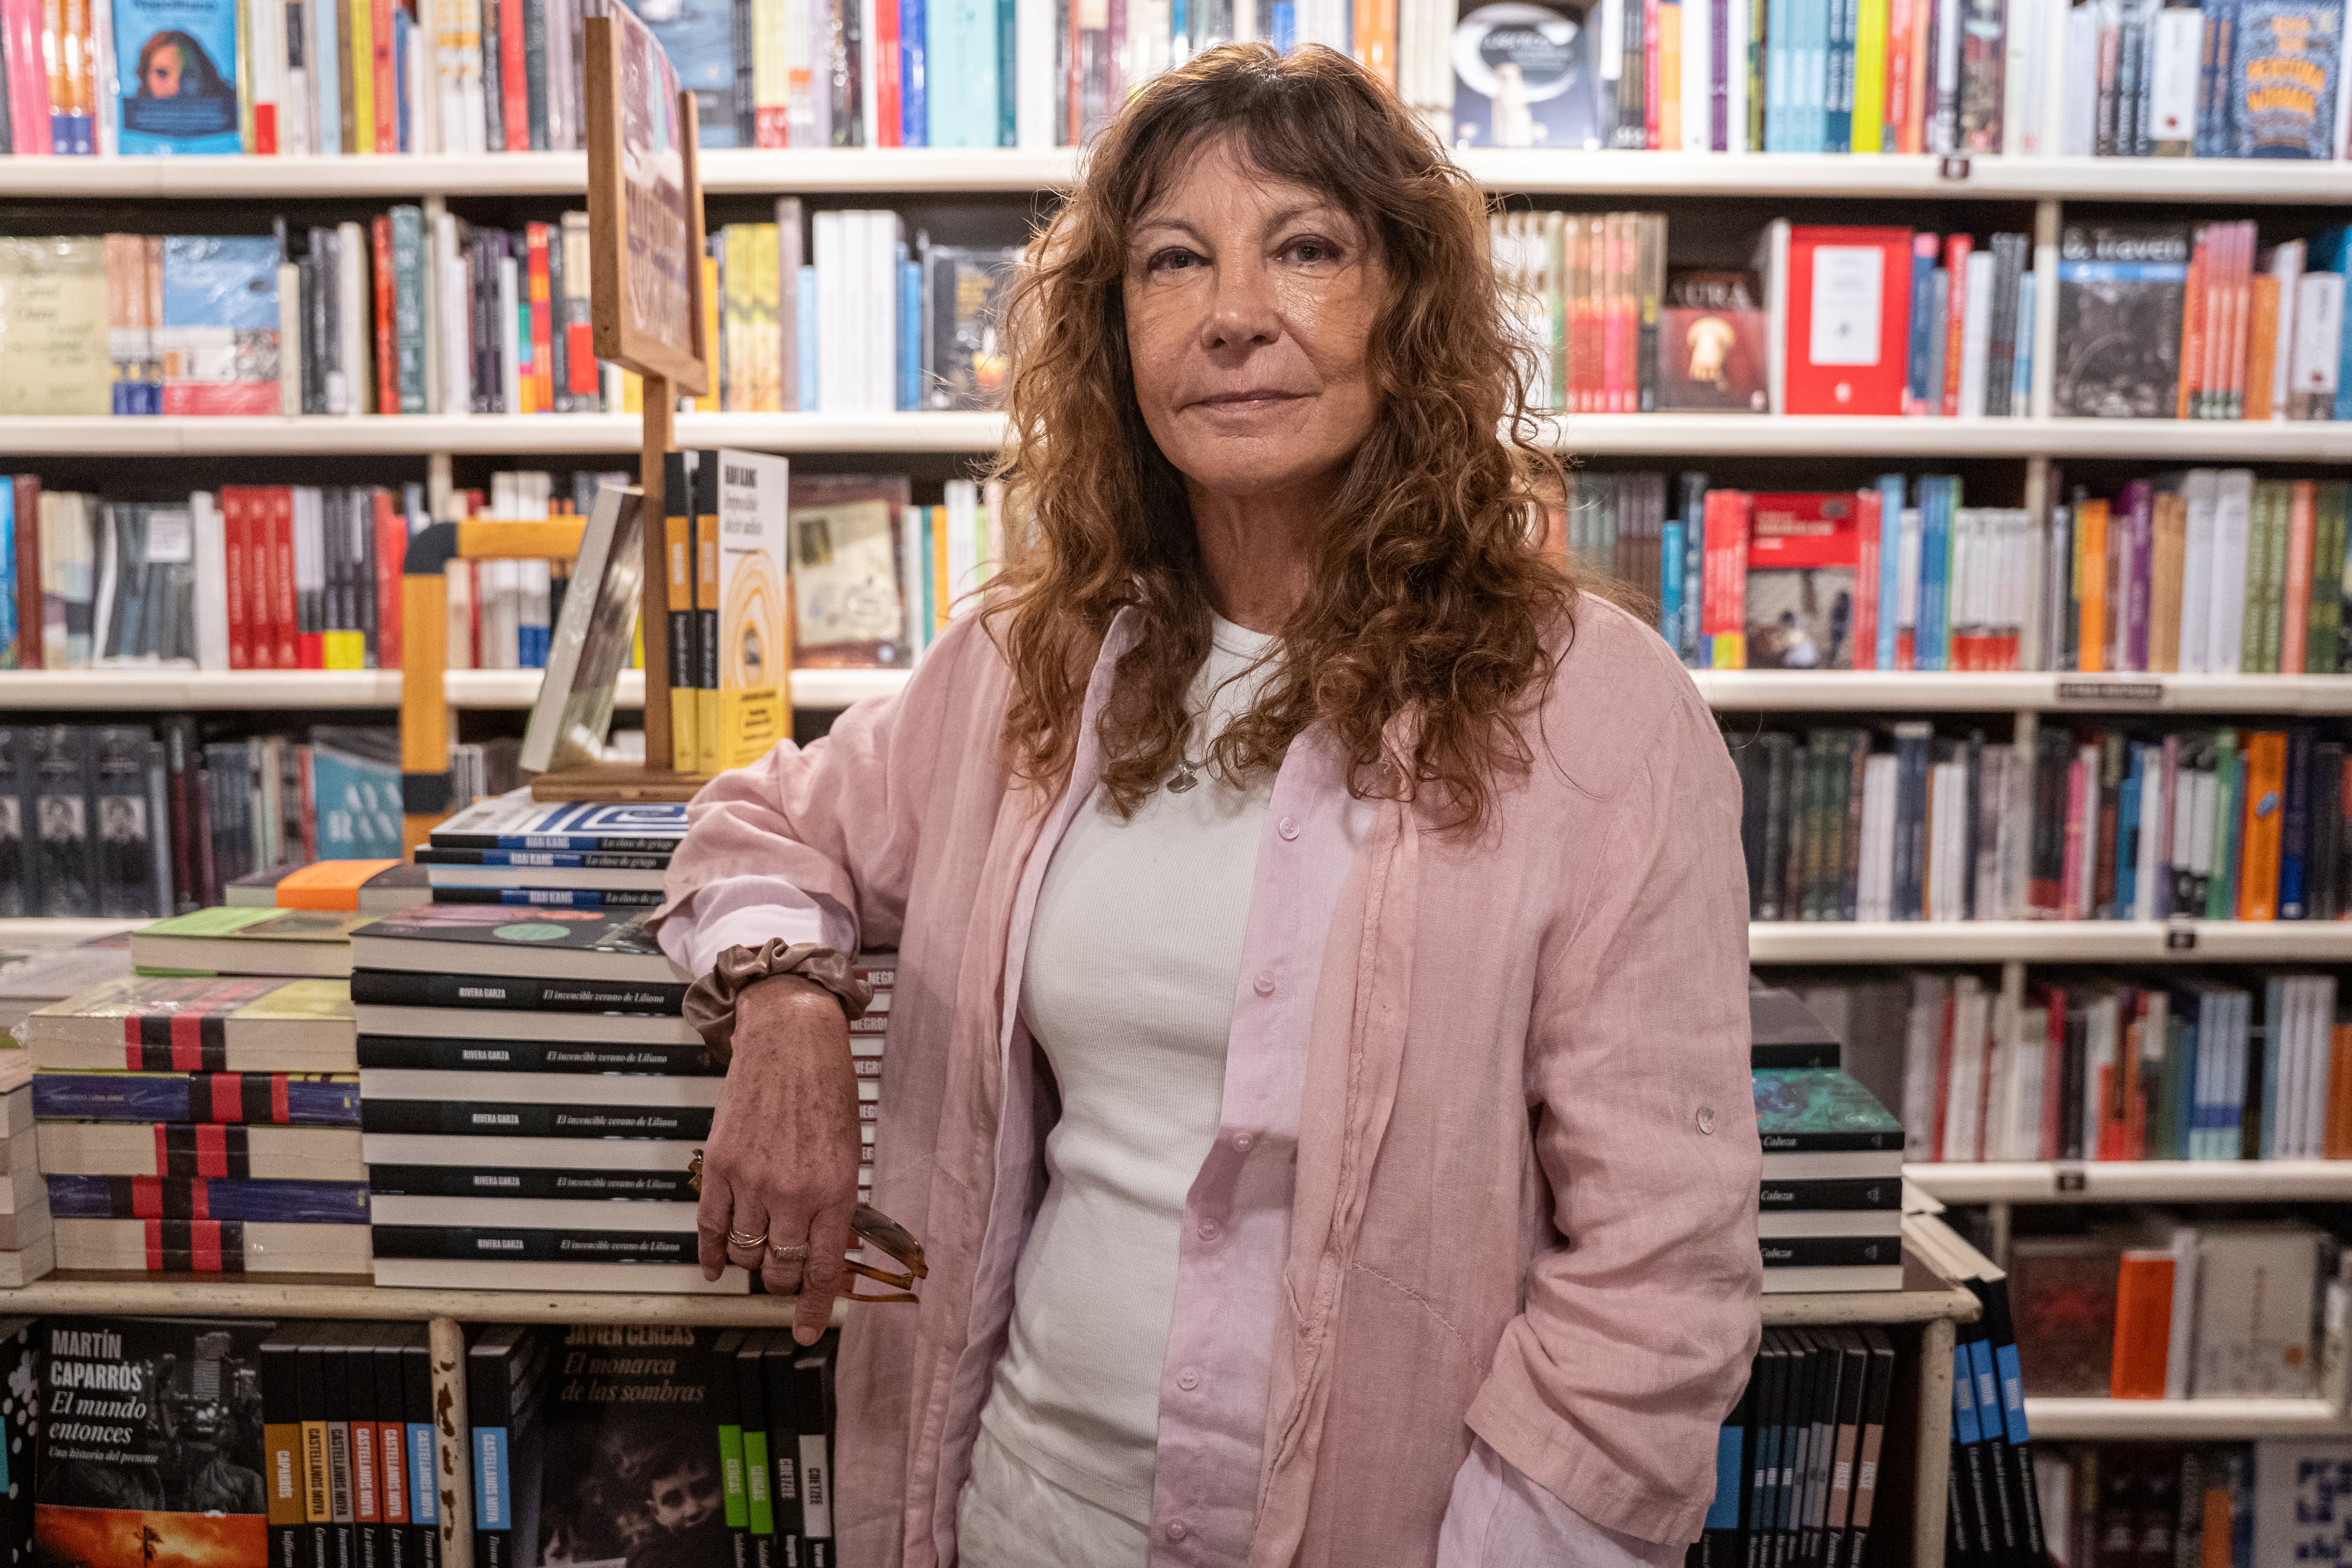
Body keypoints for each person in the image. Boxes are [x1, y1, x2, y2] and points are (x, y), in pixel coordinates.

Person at [657, 40, 1759, 1568]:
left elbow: (1664, 1257)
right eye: (1175, 262)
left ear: (1409, 313)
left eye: (1307, 248)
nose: (1237, 314)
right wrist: (783, 1005)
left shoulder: (1595, 708)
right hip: (1022, 1513)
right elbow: (759, 825)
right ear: (1117, 337)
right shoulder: (1028, 668)